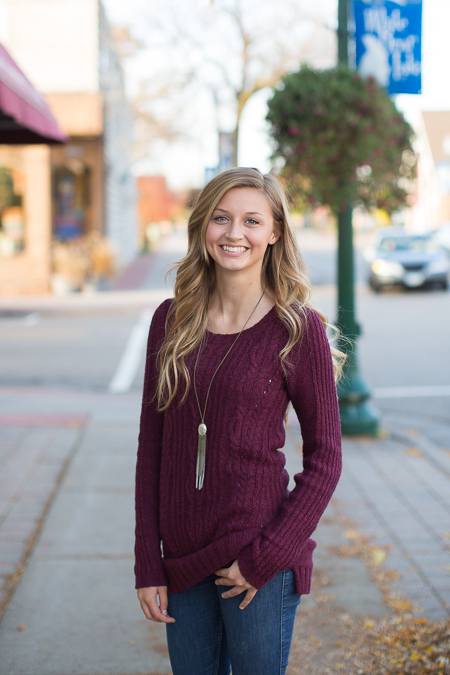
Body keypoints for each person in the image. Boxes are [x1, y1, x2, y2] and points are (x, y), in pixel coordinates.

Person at [135, 167, 344, 675]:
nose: (234, 234)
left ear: (274, 233)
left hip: (257, 559)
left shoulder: (298, 330)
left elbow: (326, 461)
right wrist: (147, 562)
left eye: (252, 221)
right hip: (182, 560)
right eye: (221, 218)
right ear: (202, 225)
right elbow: (152, 451)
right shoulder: (170, 320)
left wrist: (267, 556)